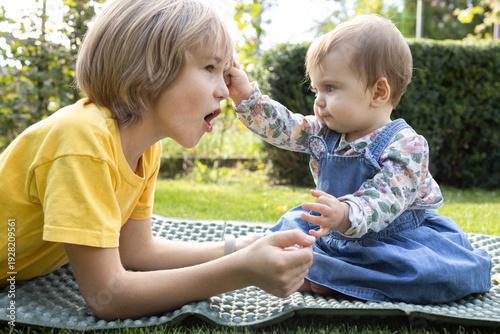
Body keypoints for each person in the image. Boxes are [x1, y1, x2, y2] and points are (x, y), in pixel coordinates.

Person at [0, 0, 316, 320]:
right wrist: (239, 271)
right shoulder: (83, 141)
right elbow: (108, 295)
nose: (224, 90)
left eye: (226, 73)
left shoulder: (146, 150)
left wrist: (241, 248)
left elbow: (137, 253)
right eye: (210, 68)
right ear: (148, 70)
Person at [227, 14, 491, 304]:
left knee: (432, 276)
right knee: (285, 238)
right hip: (335, 235)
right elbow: (286, 127)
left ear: (378, 92)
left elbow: (387, 196)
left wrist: (346, 213)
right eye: (316, 89)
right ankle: (327, 274)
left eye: (330, 88)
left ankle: (333, 278)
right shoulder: (324, 133)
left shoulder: (406, 144)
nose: (319, 101)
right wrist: (247, 96)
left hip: (393, 241)